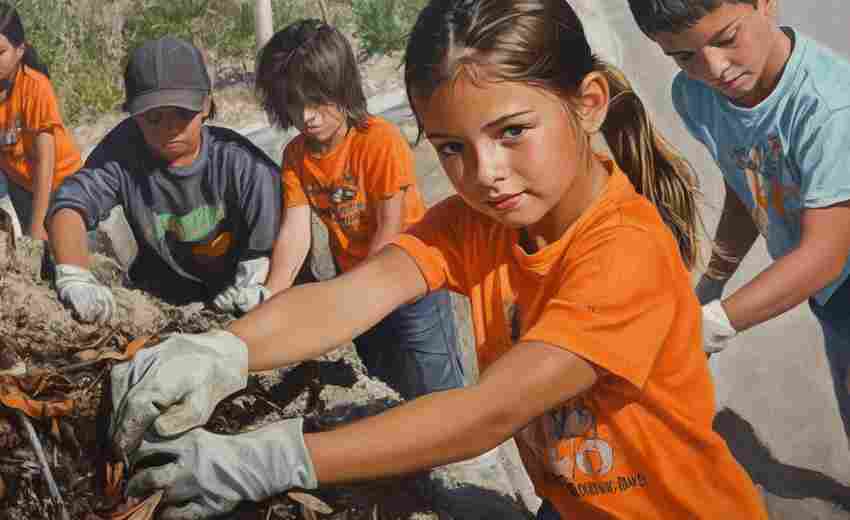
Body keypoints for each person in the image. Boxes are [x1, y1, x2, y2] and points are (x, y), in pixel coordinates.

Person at [106, 1, 768, 519]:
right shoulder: (481, 222)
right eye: (452, 148)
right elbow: (357, 293)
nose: (486, 174)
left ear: (587, 104)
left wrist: (276, 458)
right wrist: (222, 351)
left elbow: (486, 413)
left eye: (511, 132)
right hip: (572, 504)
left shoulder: (626, 252)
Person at [628, 0, 850, 439]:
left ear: (765, 4)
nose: (715, 68)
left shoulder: (829, 110)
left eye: (727, 39)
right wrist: (712, 282)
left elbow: (825, 255)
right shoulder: (696, 95)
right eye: (683, 56)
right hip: (827, 290)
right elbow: (749, 184)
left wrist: (712, 326)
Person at [254, 19, 465, 401]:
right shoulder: (296, 156)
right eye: (295, 104)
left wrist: (351, 297)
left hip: (414, 283)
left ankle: (471, 455)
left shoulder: (379, 141)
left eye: (316, 100)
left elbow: (390, 228)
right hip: (357, 287)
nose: (307, 117)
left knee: (437, 390)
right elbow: (296, 231)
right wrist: (270, 295)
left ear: (342, 87)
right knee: (385, 389)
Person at [46, 37, 281, 324]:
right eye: (154, 118)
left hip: (237, 295)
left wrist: (254, 284)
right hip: (163, 303)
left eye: (182, 114)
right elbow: (68, 204)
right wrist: (74, 276)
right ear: (134, 115)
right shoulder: (122, 153)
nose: (169, 128)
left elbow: (276, 241)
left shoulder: (240, 163)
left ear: (206, 105)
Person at [0, 2, 82, 241]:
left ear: (20, 50)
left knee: (58, 247)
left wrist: (38, 226)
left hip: (60, 184)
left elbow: (46, 160)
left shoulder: (34, 86)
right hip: (20, 184)